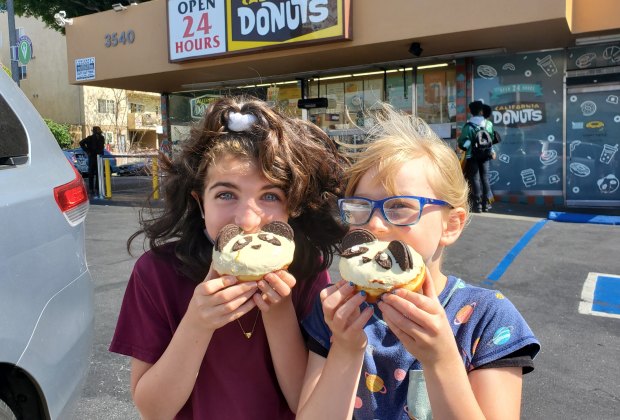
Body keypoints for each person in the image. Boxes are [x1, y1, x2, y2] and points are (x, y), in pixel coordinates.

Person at [109, 96, 348, 419]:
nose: (248, 220)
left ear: (291, 207)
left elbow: (302, 404)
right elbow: (154, 409)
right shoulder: (156, 273)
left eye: (269, 196)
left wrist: (278, 313)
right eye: (225, 194)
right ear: (199, 201)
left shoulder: (307, 272)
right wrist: (198, 321)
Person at [297, 106, 540, 420]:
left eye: (399, 207)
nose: (375, 225)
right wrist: (344, 347)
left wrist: (440, 359)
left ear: (450, 225)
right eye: (360, 207)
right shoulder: (334, 312)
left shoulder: (486, 318)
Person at [458, 101, 495, 213]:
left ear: (471, 112)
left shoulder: (468, 126)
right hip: (486, 155)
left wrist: (467, 144)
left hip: (472, 155)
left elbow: (462, 142)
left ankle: (477, 205)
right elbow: (491, 139)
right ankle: (486, 204)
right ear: (481, 111)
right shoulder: (488, 124)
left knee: (475, 179)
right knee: (485, 178)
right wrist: (492, 151)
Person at [79, 126, 105, 194]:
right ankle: (91, 188)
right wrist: (87, 151)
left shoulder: (102, 138)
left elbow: (102, 147)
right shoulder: (90, 138)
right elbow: (81, 143)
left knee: (99, 173)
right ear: (94, 131)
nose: (98, 132)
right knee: (91, 174)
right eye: (97, 131)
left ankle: (97, 188)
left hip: (99, 157)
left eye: (99, 131)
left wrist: (102, 153)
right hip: (92, 157)